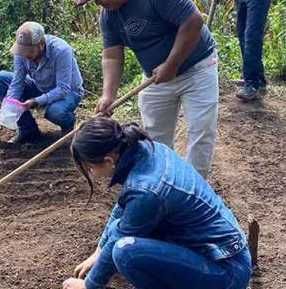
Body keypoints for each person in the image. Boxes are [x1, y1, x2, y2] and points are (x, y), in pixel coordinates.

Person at [62, 117, 251, 289]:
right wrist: (99, 251)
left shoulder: (146, 190)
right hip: (222, 252)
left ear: (109, 161)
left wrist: (89, 285)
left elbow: (123, 231)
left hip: (226, 272)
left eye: (90, 167)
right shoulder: (146, 149)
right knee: (119, 240)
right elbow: (123, 208)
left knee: (125, 251)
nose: (93, 174)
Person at [76, 0, 219, 179]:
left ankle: (194, 188)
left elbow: (193, 22)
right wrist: (107, 95)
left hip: (197, 69)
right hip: (156, 77)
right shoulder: (109, 15)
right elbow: (112, 56)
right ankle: (162, 182)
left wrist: (171, 65)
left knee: (201, 132)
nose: (97, 2)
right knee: (154, 137)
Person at [0, 22, 84, 144]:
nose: (25, 55)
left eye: (29, 51)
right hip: (40, 86)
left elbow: (63, 88)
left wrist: (36, 101)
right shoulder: (21, 53)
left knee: (56, 112)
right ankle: (27, 130)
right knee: (1, 78)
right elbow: (16, 84)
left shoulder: (61, 50)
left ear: (40, 43)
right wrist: (5, 112)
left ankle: (68, 125)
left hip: (68, 92)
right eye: (22, 51)